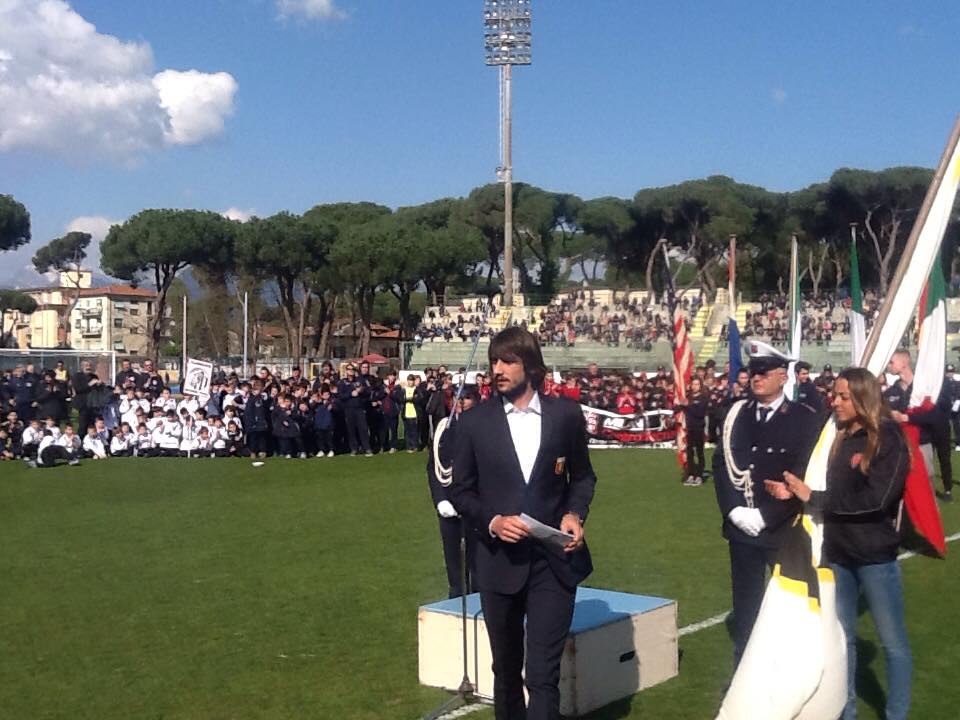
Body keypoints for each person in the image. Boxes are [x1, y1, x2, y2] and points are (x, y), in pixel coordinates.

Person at [451, 326, 597, 720]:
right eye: (493, 361)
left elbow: (582, 477)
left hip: (553, 561)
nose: (497, 369)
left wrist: (574, 514)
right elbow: (461, 492)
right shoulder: (474, 423)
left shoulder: (565, 415)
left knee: (542, 674)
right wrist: (493, 521)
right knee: (505, 670)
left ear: (530, 366)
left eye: (507, 361)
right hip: (498, 562)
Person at [766, 368, 912, 720]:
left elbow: (876, 500)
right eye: (835, 395)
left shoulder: (888, 437)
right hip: (838, 556)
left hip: (875, 556)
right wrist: (795, 493)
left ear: (863, 397)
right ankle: (846, 711)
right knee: (842, 642)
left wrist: (813, 497)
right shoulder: (837, 436)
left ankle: (896, 714)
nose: (836, 401)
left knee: (893, 645)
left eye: (844, 396)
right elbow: (822, 486)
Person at [712, 339, 819, 670]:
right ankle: (744, 673)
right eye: (752, 371)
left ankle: (792, 672)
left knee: (792, 604)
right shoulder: (734, 413)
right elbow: (721, 464)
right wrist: (734, 510)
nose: (755, 378)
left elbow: (805, 473)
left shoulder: (805, 418)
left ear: (783, 377)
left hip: (783, 529)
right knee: (745, 609)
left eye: (763, 372)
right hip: (741, 529)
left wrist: (766, 515)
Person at [427, 384, 480, 598]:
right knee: (453, 559)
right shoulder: (444, 428)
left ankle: (479, 598)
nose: (461, 402)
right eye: (458, 398)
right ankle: (455, 597)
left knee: (477, 561)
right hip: (448, 502)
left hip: (475, 503)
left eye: (466, 398)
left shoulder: (484, 427)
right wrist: (440, 500)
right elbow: (433, 467)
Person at [884, 349, 953, 501]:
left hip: (921, 445)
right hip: (897, 446)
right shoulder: (889, 393)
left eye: (891, 362)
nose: (888, 366)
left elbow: (936, 416)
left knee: (925, 490)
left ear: (904, 363)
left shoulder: (925, 389)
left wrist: (907, 418)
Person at [676, 376, 709, 486]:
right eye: (693, 384)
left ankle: (699, 475)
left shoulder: (703, 398)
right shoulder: (688, 397)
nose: (694, 386)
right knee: (689, 452)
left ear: (700, 386)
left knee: (699, 452)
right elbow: (680, 408)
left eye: (697, 384)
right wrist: (678, 404)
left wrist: (687, 406)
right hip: (689, 428)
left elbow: (699, 413)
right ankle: (691, 473)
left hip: (699, 428)